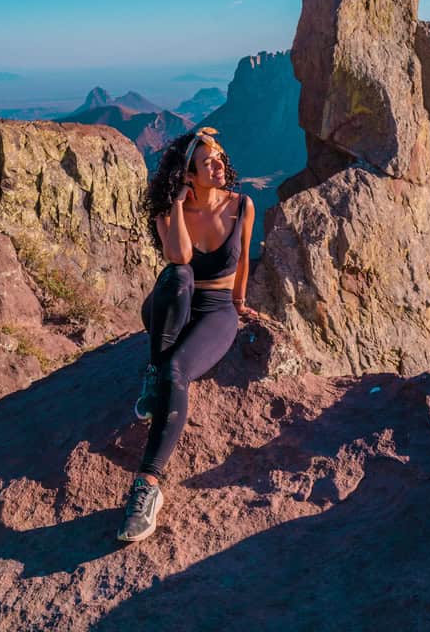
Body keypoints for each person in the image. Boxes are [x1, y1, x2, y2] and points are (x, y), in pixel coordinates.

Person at [117, 126, 256, 544]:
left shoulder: (241, 204)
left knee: (179, 370)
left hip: (214, 310)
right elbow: (178, 257)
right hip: (171, 305)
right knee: (178, 275)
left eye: (219, 157)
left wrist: (239, 304)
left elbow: (244, 258)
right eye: (206, 161)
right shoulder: (167, 210)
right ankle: (154, 370)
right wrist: (177, 203)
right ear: (188, 174)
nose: (218, 164)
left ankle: (147, 485)